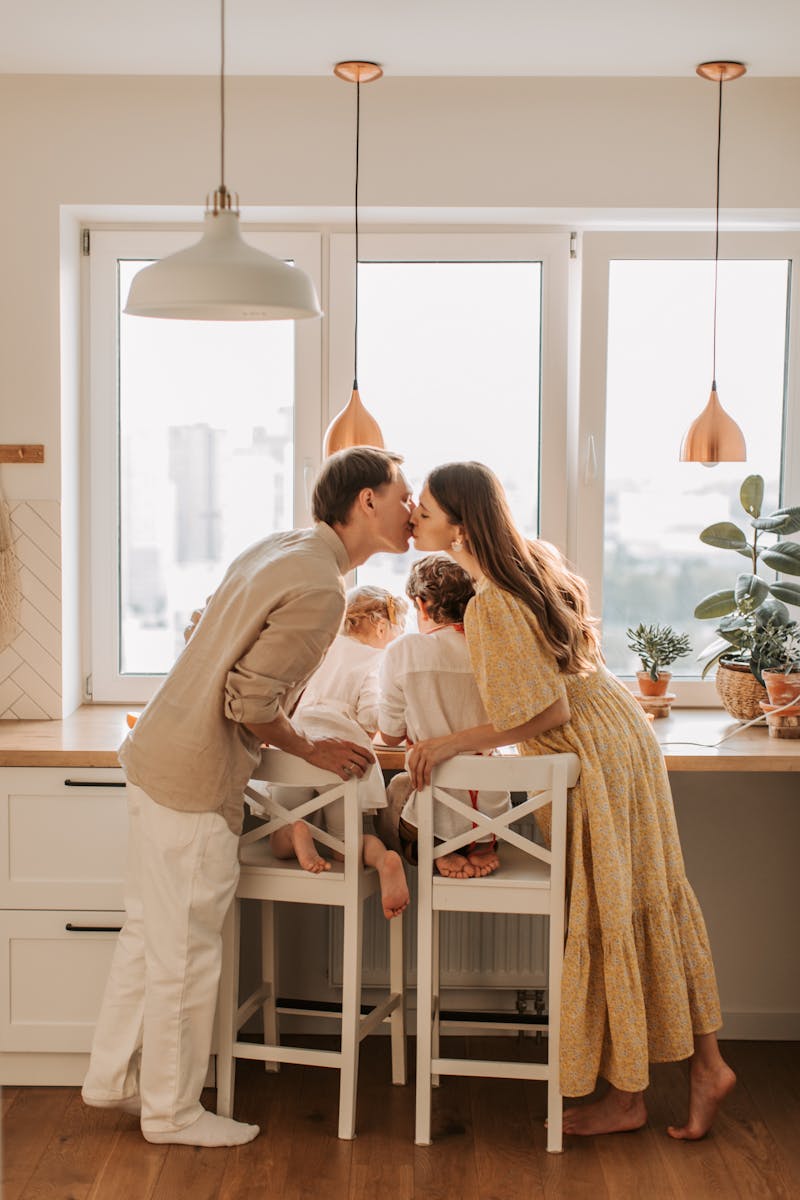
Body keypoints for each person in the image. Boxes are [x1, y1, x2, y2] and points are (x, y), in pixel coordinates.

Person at [81, 447, 415, 1147]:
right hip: (193, 777)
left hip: (155, 754)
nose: (413, 510)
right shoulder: (323, 588)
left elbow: (205, 626)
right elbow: (250, 700)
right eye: (403, 494)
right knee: (187, 951)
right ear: (366, 503)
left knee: (149, 932)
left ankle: (114, 1079)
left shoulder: (284, 546)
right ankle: (170, 1114)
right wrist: (310, 747)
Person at [405, 461, 736, 1141]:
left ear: (460, 526)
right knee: (648, 900)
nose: (415, 517)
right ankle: (702, 1067)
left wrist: (449, 744)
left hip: (587, 754)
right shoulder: (532, 563)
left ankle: (633, 1096)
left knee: (614, 911)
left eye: (427, 510)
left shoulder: (492, 599)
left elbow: (545, 708)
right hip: (620, 738)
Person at [267, 584, 411, 919]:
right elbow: (371, 716)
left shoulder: (321, 648)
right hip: (341, 755)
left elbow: (289, 695)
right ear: (380, 627)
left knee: (276, 840)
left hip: (298, 744)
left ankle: (294, 829)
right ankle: (383, 859)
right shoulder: (380, 660)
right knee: (347, 846)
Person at [376, 554, 510, 878]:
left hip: (432, 812)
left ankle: (438, 844)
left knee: (392, 795)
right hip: (493, 814)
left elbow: (391, 736)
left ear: (421, 604)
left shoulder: (404, 651)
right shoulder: (495, 651)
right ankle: (481, 843)